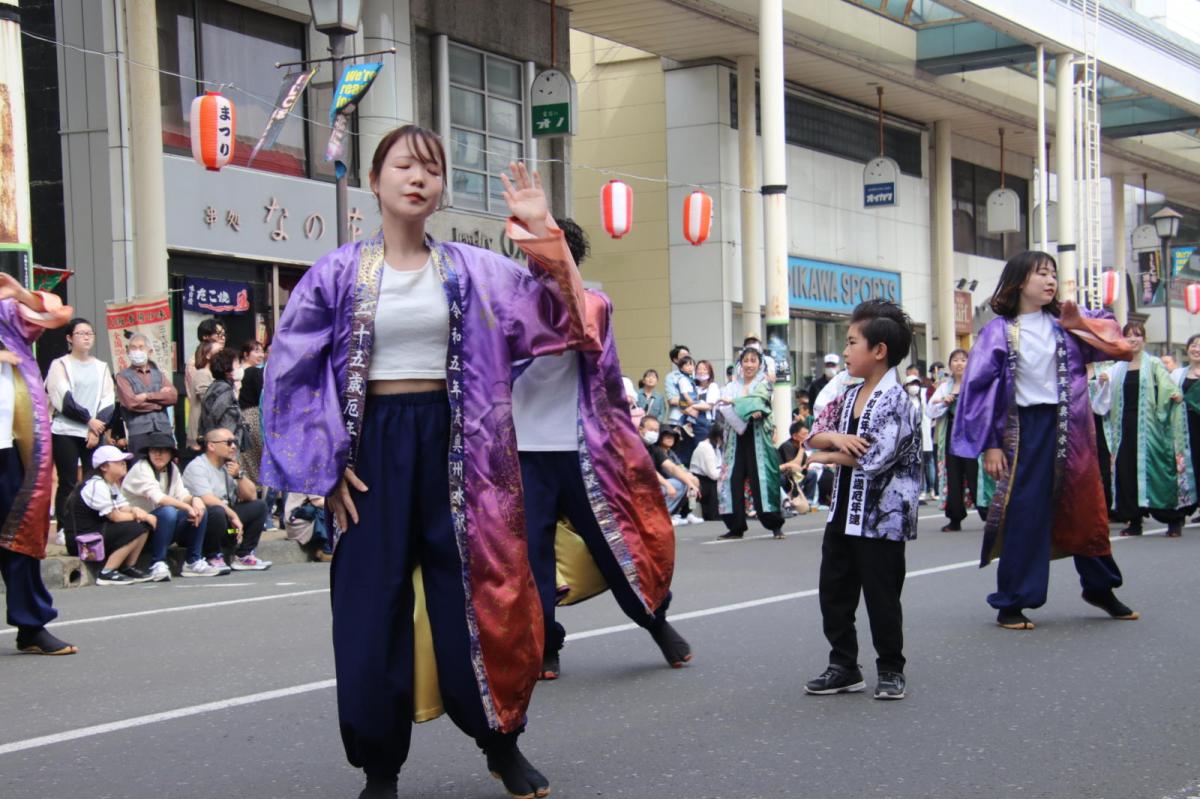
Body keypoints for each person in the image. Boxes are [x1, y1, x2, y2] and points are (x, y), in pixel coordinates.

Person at [260, 126, 597, 799]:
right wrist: (326, 469)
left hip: (463, 450)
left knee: (483, 599)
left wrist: (545, 240)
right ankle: (379, 769)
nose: (419, 177)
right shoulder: (334, 273)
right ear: (375, 179)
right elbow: (289, 371)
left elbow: (568, 320)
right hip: (370, 455)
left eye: (432, 169)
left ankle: (503, 744)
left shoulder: (478, 269)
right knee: (369, 610)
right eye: (405, 165)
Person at [513, 216, 687, 682]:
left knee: (615, 546)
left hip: (582, 452)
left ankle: (657, 623)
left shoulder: (594, 304)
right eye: (533, 250)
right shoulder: (508, 306)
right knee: (531, 559)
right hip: (522, 453)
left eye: (551, 250)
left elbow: (581, 334)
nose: (539, 259)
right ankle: (546, 642)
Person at [954, 251, 1141, 629]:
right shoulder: (998, 331)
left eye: (1053, 273)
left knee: (1088, 507)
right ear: (1020, 281)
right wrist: (991, 443)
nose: (1050, 280)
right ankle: (1012, 602)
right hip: (1024, 430)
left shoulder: (1066, 323)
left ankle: (1100, 587)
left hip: (1072, 426)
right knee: (1026, 512)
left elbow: (1118, 343)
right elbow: (978, 389)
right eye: (1041, 273)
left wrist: (1080, 320)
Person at [804, 300, 920, 700]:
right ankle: (843, 666)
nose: (847, 350)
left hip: (882, 517)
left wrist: (827, 455)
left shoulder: (899, 401)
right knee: (834, 589)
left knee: (882, 595)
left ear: (879, 350)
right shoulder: (846, 392)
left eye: (853, 342)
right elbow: (814, 432)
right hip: (843, 512)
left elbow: (875, 457)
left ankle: (890, 668)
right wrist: (835, 440)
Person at [0, 273, 77, 654]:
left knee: (20, 535)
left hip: (9, 445)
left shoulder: (6, 315)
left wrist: (19, 293)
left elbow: (57, 313)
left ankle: (31, 626)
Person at [1093, 322, 1193, 538]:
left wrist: (1173, 395)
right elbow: (1102, 399)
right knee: (1126, 472)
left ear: (1144, 340)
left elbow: (1167, 386)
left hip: (1151, 427)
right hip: (1124, 427)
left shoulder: (1154, 363)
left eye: (1137, 336)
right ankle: (1134, 520)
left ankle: (1173, 519)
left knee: (1159, 471)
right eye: (1129, 335)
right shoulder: (1116, 367)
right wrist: (1102, 383)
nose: (1133, 339)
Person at [45, 317, 115, 526]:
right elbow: (63, 398)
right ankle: (65, 527)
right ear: (69, 338)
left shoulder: (101, 367)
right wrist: (89, 420)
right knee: (67, 481)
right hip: (66, 430)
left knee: (92, 480)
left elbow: (108, 399)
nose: (86, 337)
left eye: (90, 333)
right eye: (81, 333)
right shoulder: (60, 365)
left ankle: (89, 525)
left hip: (93, 432)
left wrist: (96, 428)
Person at [122, 432, 218, 579]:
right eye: (154, 451)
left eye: (163, 451)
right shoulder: (141, 468)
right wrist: (187, 506)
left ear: (171, 454)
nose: (158, 455)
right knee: (168, 511)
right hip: (140, 528)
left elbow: (182, 494)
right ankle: (158, 563)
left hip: (163, 526)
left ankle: (194, 560)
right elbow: (159, 498)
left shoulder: (172, 469)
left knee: (201, 510)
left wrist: (195, 500)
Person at [716, 347, 785, 540]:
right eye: (745, 360)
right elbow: (722, 404)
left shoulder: (763, 383)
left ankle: (775, 524)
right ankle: (735, 526)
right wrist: (739, 405)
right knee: (731, 480)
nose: (749, 364)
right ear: (740, 364)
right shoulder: (730, 386)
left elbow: (760, 402)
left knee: (763, 480)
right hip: (735, 440)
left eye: (753, 360)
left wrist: (736, 403)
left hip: (757, 438)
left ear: (759, 364)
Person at [183, 428, 272, 572]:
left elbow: (252, 496)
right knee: (217, 511)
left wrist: (239, 475)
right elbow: (207, 499)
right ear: (211, 446)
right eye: (229, 443)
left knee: (259, 506)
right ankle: (213, 556)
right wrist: (233, 514)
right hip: (204, 528)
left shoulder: (227, 467)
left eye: (235, 442)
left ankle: (244, 555)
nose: (234, 446)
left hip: (229, 531)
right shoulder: (197, 467)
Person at [77, 446, 154, 586]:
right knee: (135, 528)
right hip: (85, 538)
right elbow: (115, 517)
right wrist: (144, 516)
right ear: (104, 467)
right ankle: (107, 571)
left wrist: (136, 510)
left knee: (143, 525)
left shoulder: (111, 485)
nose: (124, 464)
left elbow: (123, 507)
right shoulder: (96, 485)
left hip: (101, 531)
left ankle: (128, 567)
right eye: (119, 462)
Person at [926, 349, 976, 531]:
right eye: (955, 360)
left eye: (963, 360)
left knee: (975, 473)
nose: (959, 363)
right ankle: (955, 518)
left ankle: (989, 513)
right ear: (950, 365)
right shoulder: (944, 387)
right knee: (952, 475)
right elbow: (929, 410)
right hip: (951, 434)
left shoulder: (976, 384)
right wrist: (943, 403)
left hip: (972, 435)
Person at [115, 333, 178, 458]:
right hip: (139, 431)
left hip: (163, 428)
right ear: (127, 351)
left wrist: (146, 396)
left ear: (149, 352)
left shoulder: (158, 374)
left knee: (165, 467)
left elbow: (173, 397)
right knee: (140, 467)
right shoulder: (122, 376)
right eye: (133, 348)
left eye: (141, 347)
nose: (137, 351)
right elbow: (131, 403)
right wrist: (159, 403)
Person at [641, 416, 701, 519]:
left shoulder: (668, 452)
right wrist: (668, 484)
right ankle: (664, 516)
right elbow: (649, 469)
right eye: (667, 437)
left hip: (659, 483)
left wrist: (690, 481)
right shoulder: (638, 446)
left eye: (672, 437)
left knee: (691, 482)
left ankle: (687, 513)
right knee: (681, 483)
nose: (670, 439)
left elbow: (675, 467)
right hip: (642, 484)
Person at [1171, 334, 1200, 521]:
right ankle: (1187, 504)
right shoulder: (1177, 374)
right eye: (1193, 345)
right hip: (1185, 426)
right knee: (1189, 465)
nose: (1196, 349)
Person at [185, 320, 223, 450]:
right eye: (217, 334)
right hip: (203, 430)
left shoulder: (215, 372)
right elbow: (208, 400)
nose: (221, 338)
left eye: (223, 334)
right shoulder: (199, 370)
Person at [198, 348, 246, 449]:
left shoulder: (215, 386)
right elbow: (216, 416)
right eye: (237, 364)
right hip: (225, 445)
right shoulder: (225, 390)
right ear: (227, 370)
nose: (240, 367)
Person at [237, 340, 266, 486]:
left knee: (247, 457)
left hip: (241, 417)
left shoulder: (236, 372)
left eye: (261, 351)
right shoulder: (255, 372)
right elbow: (262, 396)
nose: (261, 355)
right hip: (255, 415)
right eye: (256, 351)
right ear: (245, 354)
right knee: (260, 455)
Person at [904, 375, 935, 500]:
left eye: (916, 383)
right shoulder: (903, 399)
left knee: (927, 461)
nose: (914, 387)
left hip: (923, 434)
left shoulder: (923, 397)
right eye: (911, 384)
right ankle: (917, 488)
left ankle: (929, 488)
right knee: (913, 462)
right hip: (909, 436)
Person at [284, 493, 334, 562]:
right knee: (329, 510)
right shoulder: (310, 481)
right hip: (298, 522)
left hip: (302, 519)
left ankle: (325, 549)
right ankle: (327, 551)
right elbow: (318, 502)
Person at [778, 421, 816, 512]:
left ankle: (808, 501)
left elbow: (804, 465)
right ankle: (787, 504)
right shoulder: (787, 445)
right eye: (804, 434)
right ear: (795, 436)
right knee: (782, 478)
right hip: (786, 477)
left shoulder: (799, 446)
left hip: (796, 476)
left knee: (812, 474)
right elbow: (794, 466)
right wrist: (802, 449)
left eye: (808, 433)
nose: (807, 437)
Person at [690, 422, 724, 520]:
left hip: (710, 480)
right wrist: (726, 472)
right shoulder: (706, 448)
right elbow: (713, 474)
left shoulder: (715, 447)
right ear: (718, 437)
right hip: (702, 482)